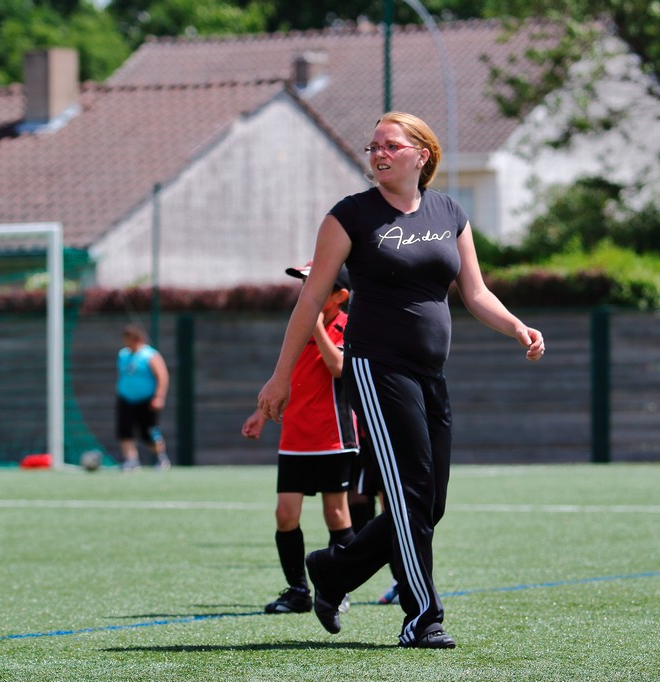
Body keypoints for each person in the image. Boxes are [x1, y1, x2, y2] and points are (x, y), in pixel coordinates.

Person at [256, 111, 546, 649]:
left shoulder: (449, 212)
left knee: (430, 503)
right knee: (409, 493)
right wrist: (280, 377)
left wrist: (516, 327)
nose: (379, 154)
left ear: (422, 155)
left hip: (430, 373)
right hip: (376, 367)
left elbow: (475, 293)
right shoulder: (350, 216)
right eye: (373, 147)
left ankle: (334, 570)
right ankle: (422, 617)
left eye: (391, 145)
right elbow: (311, 299)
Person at [241, 263, 358, 615]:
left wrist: (316, 325)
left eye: (316, 284)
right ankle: (298, 591)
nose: (307, 290)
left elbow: (339, 367)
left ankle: (338, 588)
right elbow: (287, 374)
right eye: (305, 284)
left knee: (335, 513)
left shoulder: (349, 324)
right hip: (295, 435)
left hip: (334, 436)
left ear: (339, 295)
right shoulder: (297, 325)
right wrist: (261, 413)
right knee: (285, 514)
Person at [116, 324, 170, 472]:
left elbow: (162, 376)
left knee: (150, 431)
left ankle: (160, 458)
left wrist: (159, 396)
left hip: (147, 400)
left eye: (127, 338)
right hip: (125, 398)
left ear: (135, 338)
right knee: (125, 430)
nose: (125, 342)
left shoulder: (150, 355)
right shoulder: (123, 355)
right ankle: (131, 460)